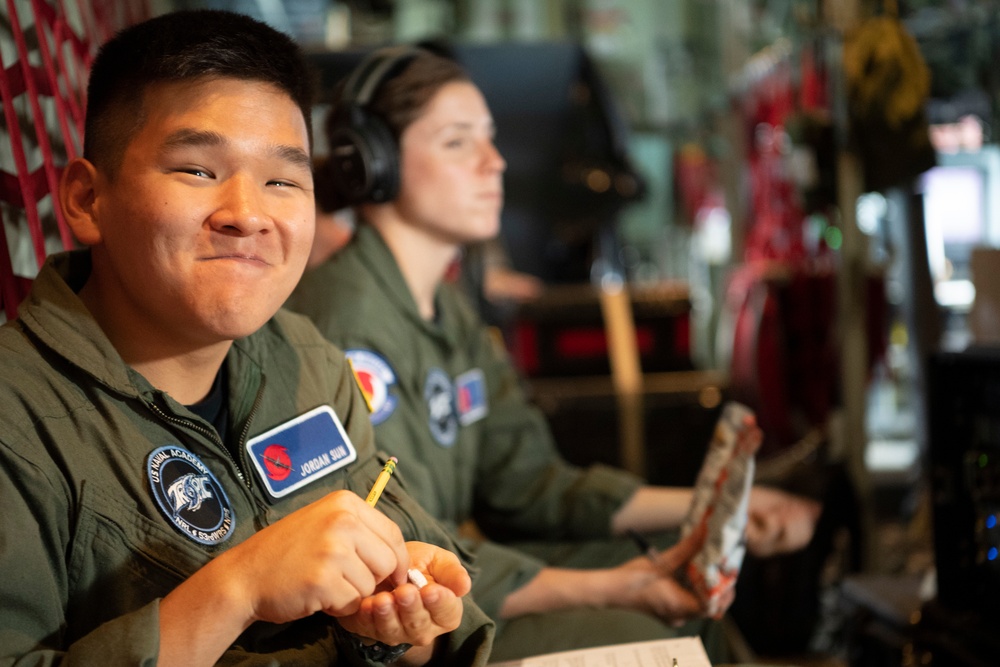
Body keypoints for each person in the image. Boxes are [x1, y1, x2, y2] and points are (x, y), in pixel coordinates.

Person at [287, 46, 822, 662]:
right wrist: (619, 587)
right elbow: (405, 550)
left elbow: (529, 483)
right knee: (674, 632)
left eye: (489, 140)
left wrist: (711, 510)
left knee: (681, 600)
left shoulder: (448, 308)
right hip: (416, 630)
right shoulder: (350, 318)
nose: (494, 162)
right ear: (373, 163)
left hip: (465, 588)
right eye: (458, 143)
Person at [0, 12, 494, 666]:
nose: (248, 214)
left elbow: (428, 597)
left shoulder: (307, 357)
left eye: (282, 180)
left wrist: (406, 619)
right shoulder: (18, 417)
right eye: (198, 171)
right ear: (89, 199)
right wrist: (238, 586)